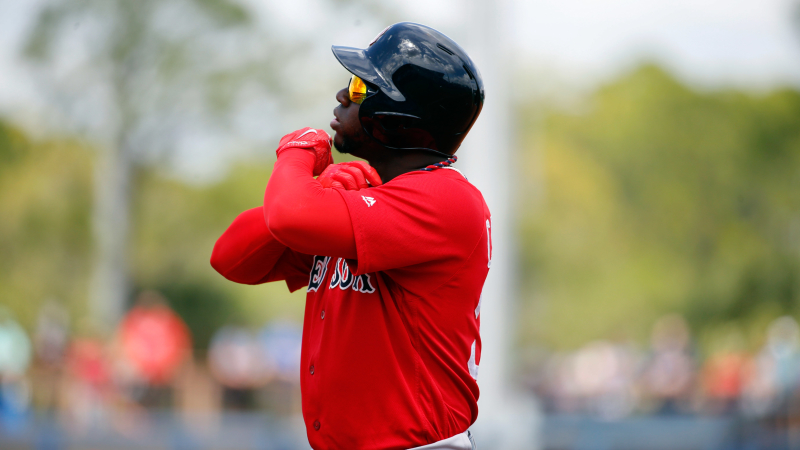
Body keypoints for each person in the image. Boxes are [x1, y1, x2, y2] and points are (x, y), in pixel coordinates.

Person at [211, 22, 488, 450]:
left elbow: (288, 215)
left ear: (400, 115)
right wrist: (323, 188)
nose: (343, 96)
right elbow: (230, 258)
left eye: (360, 88)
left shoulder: (447, 198)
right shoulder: (363, 198)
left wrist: (298, 152)